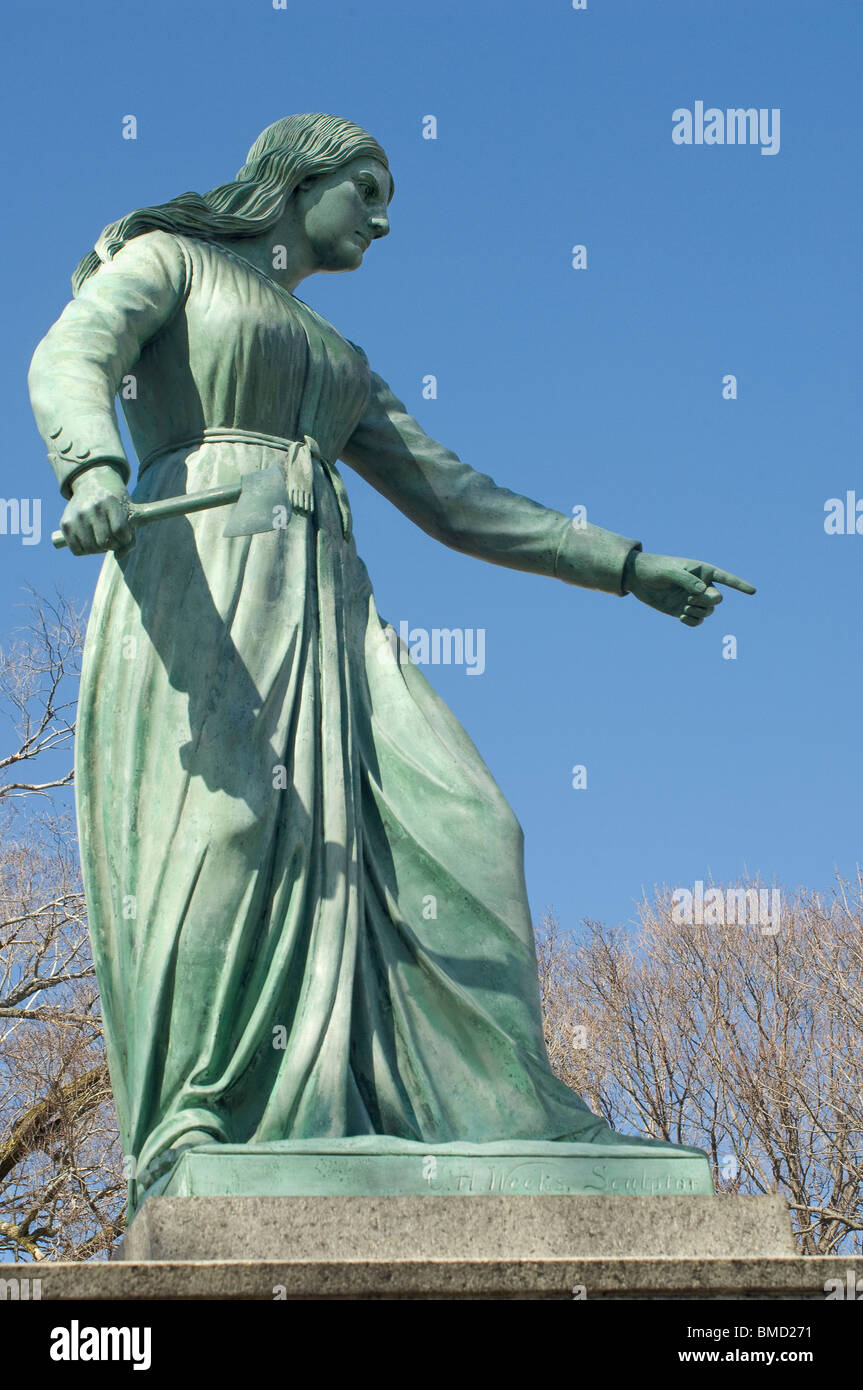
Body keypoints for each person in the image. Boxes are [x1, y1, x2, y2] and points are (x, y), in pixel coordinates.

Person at [28, 114, 754, 1211]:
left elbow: (456, 499)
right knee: (228, 833)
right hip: (205, 572)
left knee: (467, 823)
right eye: (364, 187)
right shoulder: (167, 260)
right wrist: (88, 468)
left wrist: (625, 563)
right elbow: (72, 352)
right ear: (296, 180)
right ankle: (205, 1116)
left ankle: (496, 1106)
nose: (382, 215)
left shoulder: (339, 363)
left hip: (330, 606)